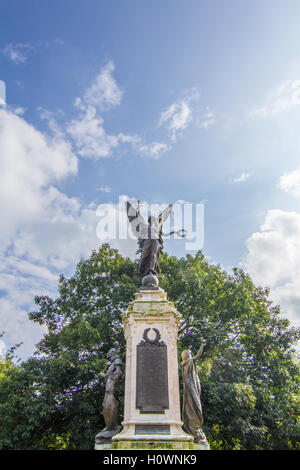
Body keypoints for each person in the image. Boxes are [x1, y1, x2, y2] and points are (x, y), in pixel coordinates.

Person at [181, 340, 207, 443]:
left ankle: (192, 429)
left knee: (191, 407)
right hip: (191, 388)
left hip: (189, 389)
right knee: (195, 407)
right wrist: (202, 345)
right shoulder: (190, 361)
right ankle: (194, 429)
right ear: (187, 355)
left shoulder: (184, 364)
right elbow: (198, 355)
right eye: (189, 354)